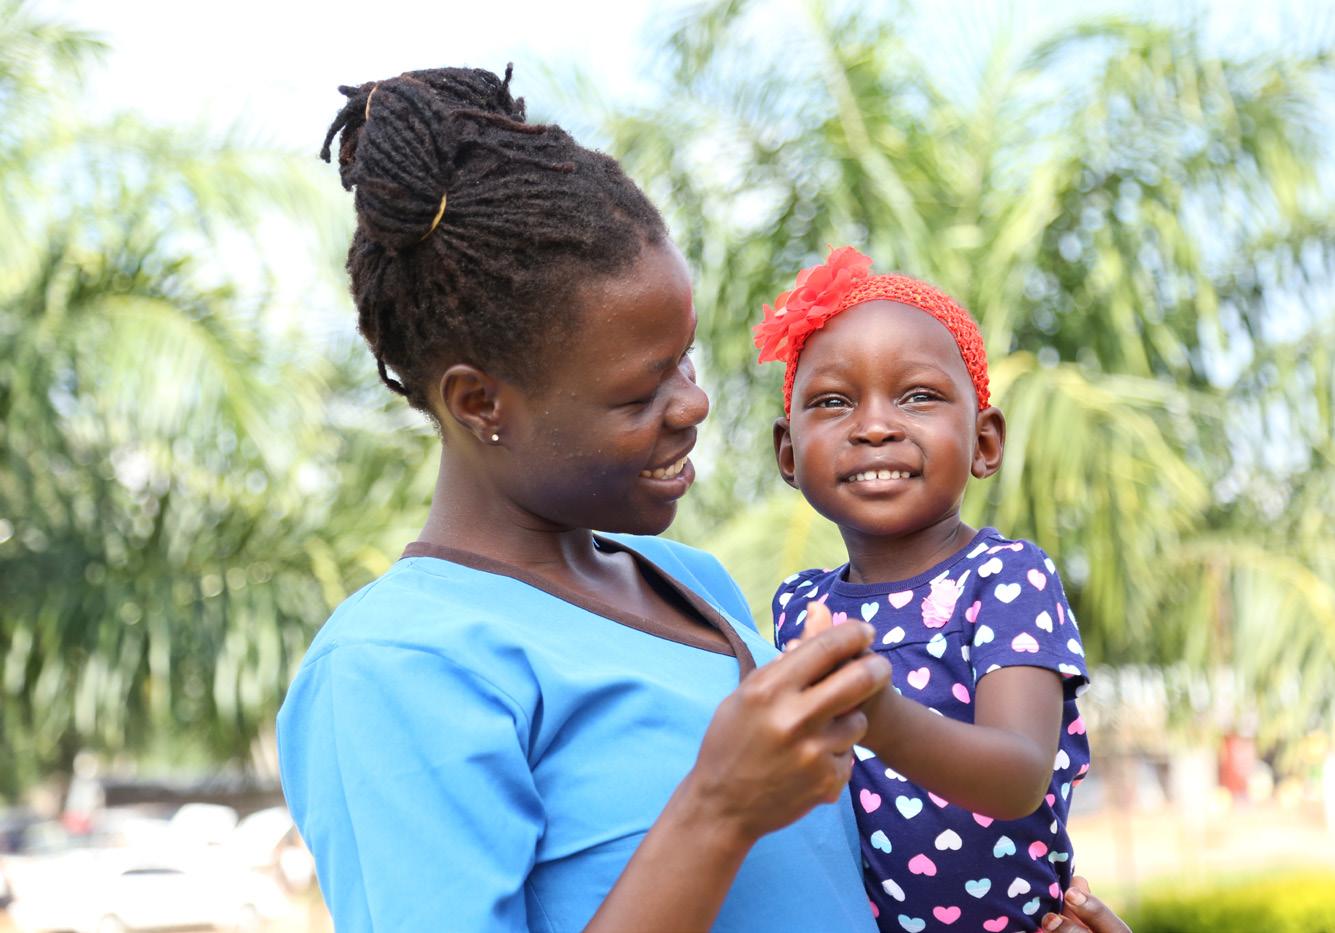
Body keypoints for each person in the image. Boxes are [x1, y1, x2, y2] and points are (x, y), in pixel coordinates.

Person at [276, 64, 1128, 933]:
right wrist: (717, 808)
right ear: (479, 402)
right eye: (638, 390)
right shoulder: (395, 666)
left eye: (683, 358)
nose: (693, 403)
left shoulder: (696, 587)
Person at [757, 248, 1091, 932]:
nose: (875, 426)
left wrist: (876, 716)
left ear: (984, 441)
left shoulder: (1004, 578)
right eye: (833, 401)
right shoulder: (798, 608)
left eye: (918, 395)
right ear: (788, 452)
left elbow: (1019, 774)